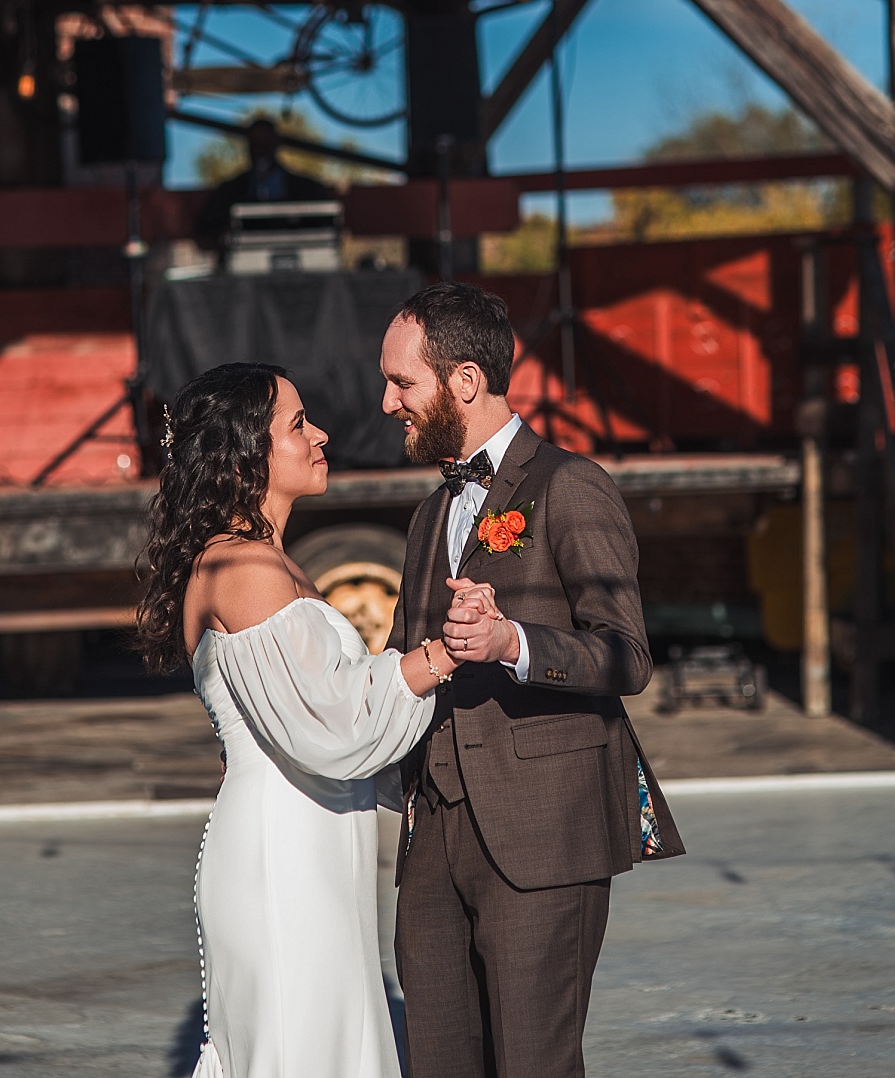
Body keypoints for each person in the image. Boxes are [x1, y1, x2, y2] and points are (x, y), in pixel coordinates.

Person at [137, 361, 496, 1078]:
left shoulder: (263, 561)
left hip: (312, 839)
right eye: (297, 424)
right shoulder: (245, 570)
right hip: (283, 852)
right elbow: (336, 723)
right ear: (246, 453)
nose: (321, 434)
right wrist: (447, 651)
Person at [381, 282, 685, 1078]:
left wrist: (513, 639)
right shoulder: (424, 518)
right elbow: (399, 667)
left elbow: (626, 655)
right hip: (434, 837)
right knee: (439, 1061)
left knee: (534, 1066)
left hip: (544, 835)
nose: (387, 403)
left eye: (402, 382)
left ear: (466, 382)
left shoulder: (572, 487)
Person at [195, 116, 334, 247]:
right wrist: (226, 236)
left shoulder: (307, 189)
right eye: (255, 145)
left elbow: (329, 230)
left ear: (276, 145)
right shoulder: (229, 192)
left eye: (265, 144)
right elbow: (204, 235)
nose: (261, 152)